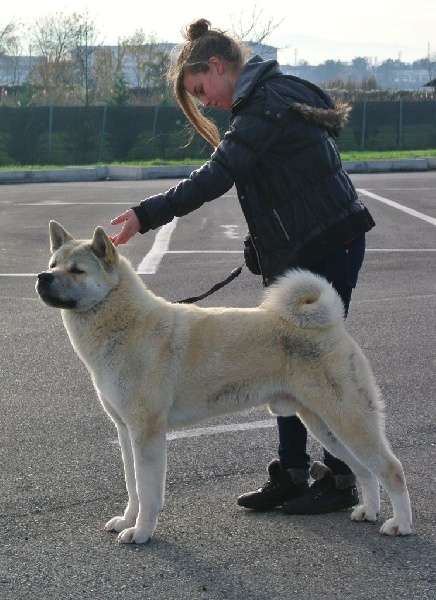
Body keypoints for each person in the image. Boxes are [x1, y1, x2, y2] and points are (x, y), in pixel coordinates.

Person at [109, 18, 375, 515]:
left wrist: (145, 215)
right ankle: (292, 472)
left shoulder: (265, 102)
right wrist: (263, 241)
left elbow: (220, 174)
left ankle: (341, 480)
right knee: (277, 362)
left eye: (200, 88)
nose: (204, 100)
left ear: (216, 66)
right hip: (297, 249)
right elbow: (276, 183)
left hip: (329, 243)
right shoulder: (260, 102)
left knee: (310, 363)